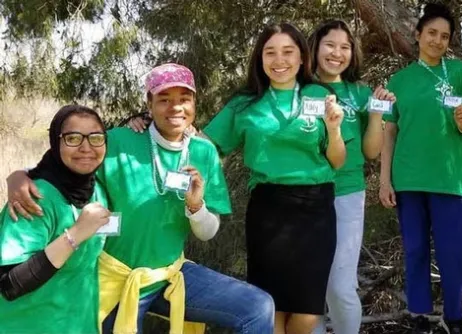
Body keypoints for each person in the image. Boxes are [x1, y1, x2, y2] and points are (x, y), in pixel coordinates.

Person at [5, 63, 275, 334]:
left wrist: (196, 206)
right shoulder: (120, 141)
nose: (175, 107)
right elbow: (73, 159)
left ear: (194, 102)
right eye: (164, 99)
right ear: (149, 103)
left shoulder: (203, 153)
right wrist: (20, 175)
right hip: (115, 278)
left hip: (170, 274)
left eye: (184, 99)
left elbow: (207, 233)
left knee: (257, 307)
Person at [202, 22, 347, 334]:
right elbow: (206, 145)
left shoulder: (320, 94)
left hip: (316, 208)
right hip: (269, 209)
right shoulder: (244, 103)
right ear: (260, 58)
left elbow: (336, 160)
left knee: (308, 312)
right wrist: (150, 125)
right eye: (270, 52)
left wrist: (334, 129)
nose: (279, 60)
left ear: (302, 58)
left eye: (287, 52)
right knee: (271, 307)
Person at [378, 3, 462, 333]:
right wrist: (384, 180)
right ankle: (419, 315)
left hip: (449, 180)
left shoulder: (461, 73)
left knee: (452, 254)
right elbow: (389, 130)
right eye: (432, 33)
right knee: (416, 249)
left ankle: (455, 318)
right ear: (418, 34)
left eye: (445, 36)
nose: (438, 40)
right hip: (408, 179)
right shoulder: (400, 80)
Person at [307, 20, 395, 334]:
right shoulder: (300, 89)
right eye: (330, 45)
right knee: (310, 286)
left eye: (345, 47)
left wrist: (375, 114)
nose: (337, 53)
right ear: (315, 48)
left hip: (346, 193)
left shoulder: (359, 91)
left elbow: (372, 151)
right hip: (303, 196)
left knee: (341, 287)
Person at [0, 105, 110, 334]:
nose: (86, 147)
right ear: (55, 141)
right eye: (72, 138)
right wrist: (76, 233)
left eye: (96, 137)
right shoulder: (35, 197)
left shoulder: (97, 188)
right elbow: (10, 284)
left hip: (78, 323)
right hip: (27, 325)